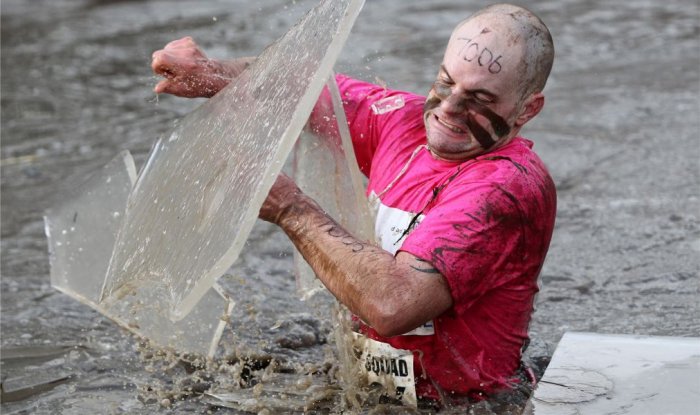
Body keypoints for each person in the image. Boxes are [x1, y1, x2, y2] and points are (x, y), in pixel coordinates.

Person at [151, 3, 556, 406]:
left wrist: (290, 208)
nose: (449, 109)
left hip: (467, 404)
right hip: (377, 386)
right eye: (446, 82)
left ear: (528, 108)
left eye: (480, 98)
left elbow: (394, 305)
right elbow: (302, 87)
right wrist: (214, 73)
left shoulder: (505, 189)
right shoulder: (402, 122)